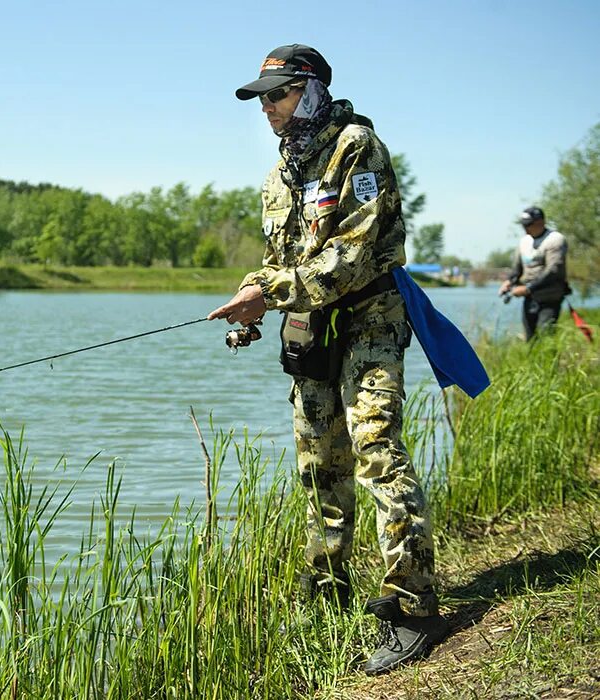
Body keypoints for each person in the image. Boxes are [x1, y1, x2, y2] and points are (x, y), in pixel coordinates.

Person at [206, 44, 447, 675]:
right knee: (319, 465)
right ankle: (329, 591)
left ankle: (411, 605)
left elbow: (352, 258)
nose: (268, 108)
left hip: (371, 315)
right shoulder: (278, 175)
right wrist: (254, 300)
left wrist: (274, 290)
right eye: (261, 97)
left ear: (310, 91)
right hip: (310, 326)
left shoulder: (357, 147)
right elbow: (285, 259)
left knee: (376, 449)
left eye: (278, 93)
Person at [499, 206, 569, 340]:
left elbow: (553, 272)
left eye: (529, 225)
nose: (526, 228)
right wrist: (510, 281)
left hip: (549, 298)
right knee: (530, 339)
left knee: (546, 336)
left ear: (541, 222)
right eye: (523, 225)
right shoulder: (524, 241)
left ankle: (550, 361)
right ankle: (532, 360)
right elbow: (517, 269)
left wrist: (527, 288)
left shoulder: (555, 240)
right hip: (530, 298)